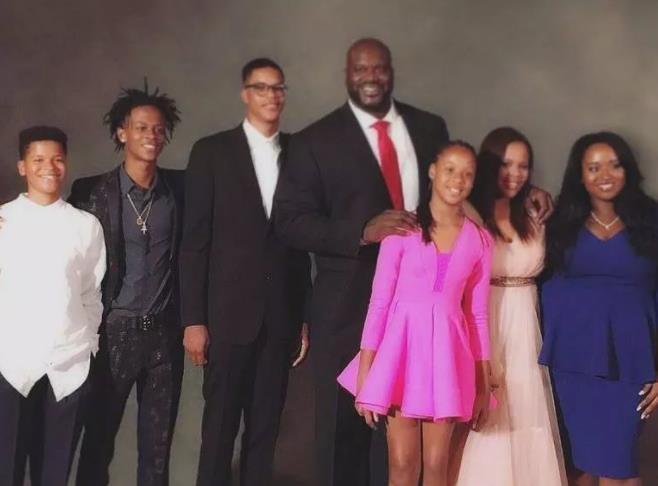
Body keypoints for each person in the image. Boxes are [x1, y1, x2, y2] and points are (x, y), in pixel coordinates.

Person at [179, 58, 310, 486]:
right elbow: (194, 243)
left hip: (279, 320)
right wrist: (193, 319)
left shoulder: (299, 154)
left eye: (278, 88)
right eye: (261, 87)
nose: (271, 96)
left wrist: (302, 317)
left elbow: (300, 244)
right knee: (218, 432)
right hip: (226, 319)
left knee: (264, 434)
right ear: (245, 94)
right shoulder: (211, 152)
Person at [337, 140, 492, 486]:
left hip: (447, 359)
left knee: (437, 465)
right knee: (402, 463)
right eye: (450, 169)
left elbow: (478, 314)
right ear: (433, 171)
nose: (458, 180)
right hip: (401, 356)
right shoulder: (401, 232)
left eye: (467, 173)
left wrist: (483, 383)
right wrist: (366, 373)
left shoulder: (480, 241)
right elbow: (379, 303)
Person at [69, 84, 185, 486]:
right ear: (122, 132)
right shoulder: (90, 193)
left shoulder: (181, 190)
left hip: (164, 336)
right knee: (98, 443)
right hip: (113, 334)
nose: (151, 135)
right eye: (141, 127)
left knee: (158, 451)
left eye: (158, 129)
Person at [540, 132, 658, 486]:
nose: (605, 175)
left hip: (634, 360)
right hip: (574, 363)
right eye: (593, 168)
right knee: (586, 462)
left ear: (628, 170)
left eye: (614, 165)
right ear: (579, 175)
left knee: (619, 464)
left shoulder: (651, 220)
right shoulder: (558, 222)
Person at [452, 127, 567, 485]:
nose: (514, 174)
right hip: (485, 317)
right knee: (489, 411)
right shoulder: (468, 211)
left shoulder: (534, 210)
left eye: (523, 166)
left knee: (527, 408)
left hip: (528, 326)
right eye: (505, 164)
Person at [0, 126, 106, 486]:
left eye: (57, 159)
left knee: (55, 474)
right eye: (39, 160)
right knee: (7, 468)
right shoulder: (5, 221)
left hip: (69, 364)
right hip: (12, 363)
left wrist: (88, 345)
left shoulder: (85, 225)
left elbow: (91, 292)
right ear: (22, 166)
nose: (49, 167)